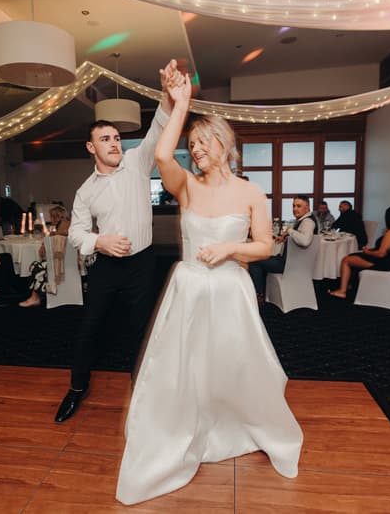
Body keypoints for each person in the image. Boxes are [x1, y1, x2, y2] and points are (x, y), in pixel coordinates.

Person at [116, 68, 302, 505]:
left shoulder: (252, 193)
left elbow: (263, 246)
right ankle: (187, 428)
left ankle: (235, 421)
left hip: (230, 291)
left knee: (232, 363)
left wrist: (231, 249)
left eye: (203, 143)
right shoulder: (186, 188)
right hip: (190, 290)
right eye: (193, 145)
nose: (195, 151)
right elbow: (162, 156)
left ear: (225, 145)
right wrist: (179, 103)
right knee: (186, 366)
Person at [53, 59, 181, 423]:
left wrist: (167, 96)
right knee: (90, 327)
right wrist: (100, 242)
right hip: (107, 267)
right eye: (105, 139)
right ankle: (77, 388)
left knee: (143, 329)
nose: (114, 143)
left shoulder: (139, 164)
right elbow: (76, 232)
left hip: (143, 265)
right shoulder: (85, 191)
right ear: (91, 148)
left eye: (116, 138)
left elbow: (158, 126)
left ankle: (148, 389)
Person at [328, 205, 390, 299]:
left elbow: (381, 253)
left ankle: (342, 291)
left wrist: (367, 252)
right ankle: (349, 285)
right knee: (353, 255)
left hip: (384, 263)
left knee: (346, 260)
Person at [248, 194, 317, 303]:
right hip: (294, 263)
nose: (295, 209)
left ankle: (258, 295)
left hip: (289, 265)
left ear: (307, 208)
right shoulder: (304, 220)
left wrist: (289, 231)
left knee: (254, 261)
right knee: (264, 258)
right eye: (293, 206)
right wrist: (286, 237)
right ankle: (262, 292)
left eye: (299, 206)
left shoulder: (308, 222)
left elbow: (305, 241)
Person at [19, 204, 71, 308]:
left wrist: (44, 243)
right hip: (72, 267)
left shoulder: (53, 235)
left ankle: (35, 296)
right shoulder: (72, 230)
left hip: (59, 267)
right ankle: (39, 294)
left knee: (35, 266)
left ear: (54, 217)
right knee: (42, 266)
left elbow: (42, 254)